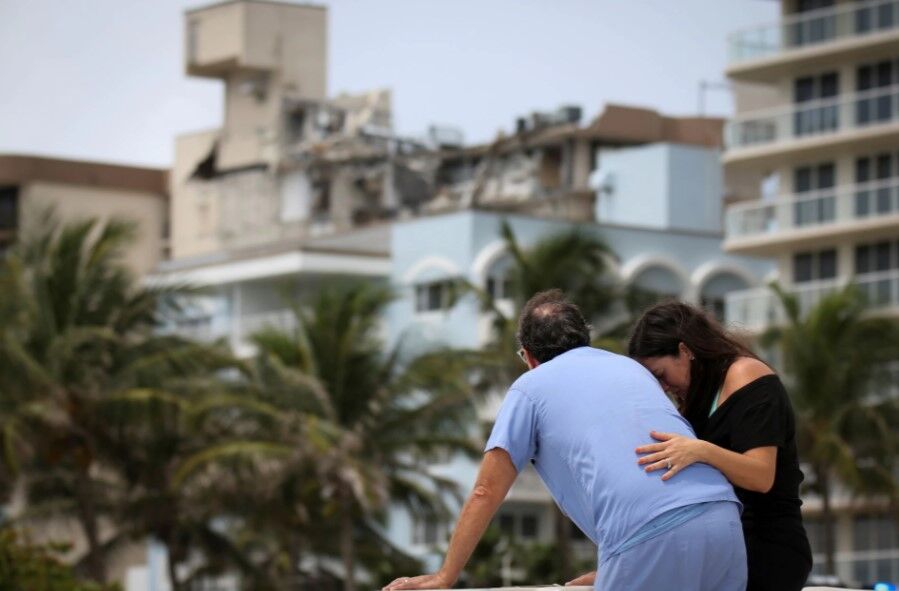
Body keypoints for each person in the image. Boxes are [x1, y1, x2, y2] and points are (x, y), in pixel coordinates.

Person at [384, 290, 746, 591]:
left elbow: (485, 492)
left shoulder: (530, 387)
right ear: (583, 338)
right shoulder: (630, 368)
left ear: (528, 356)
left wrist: (445, 576)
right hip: (722, 520)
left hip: (647, 535)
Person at [628, 301, 812, 591]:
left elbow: (761, 476)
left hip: (767, 549)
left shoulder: (747, 375)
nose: (663, 387)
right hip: (721, 550)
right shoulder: (697, 399)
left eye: (661, 375)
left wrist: (700, 450)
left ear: (685, 351)